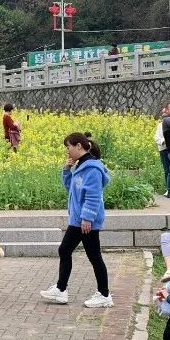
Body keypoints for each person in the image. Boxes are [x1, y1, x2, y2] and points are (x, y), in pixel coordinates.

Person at [41, 132, 113, 308]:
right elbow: (71, 189)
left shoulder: (92, 169)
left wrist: (87, 218)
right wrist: (67, 170)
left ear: (79, 146)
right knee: (67, 250)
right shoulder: (81, 166)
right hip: (78, 220)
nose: (67, 150)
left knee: (91, 255)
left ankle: (104, 294)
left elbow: (93, 196)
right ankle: (61, 289)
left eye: (69, 147)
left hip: (85, 221)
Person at [153, 109, 169, 195]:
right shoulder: (160, 125)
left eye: (165, 112)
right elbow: (156, 137)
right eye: (163, 113)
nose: (164, 114)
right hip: (163, 149)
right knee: (167, 169)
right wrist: (163, 141)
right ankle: (168, 188)